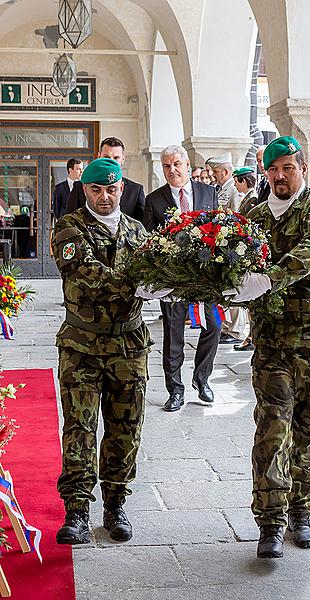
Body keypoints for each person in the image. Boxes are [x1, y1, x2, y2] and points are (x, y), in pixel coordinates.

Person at [231, 136, 310, 559]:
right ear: (265, 172)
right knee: (272, 430)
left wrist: (267, 279)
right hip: (274, 343)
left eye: (288, 168)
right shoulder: (253, 214)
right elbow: (234, 263)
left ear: (303, 168)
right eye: (273, 169)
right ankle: (271, 522)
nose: (280, 176)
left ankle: (303, 513)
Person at [52, 158, 168, 545]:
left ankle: (115, 504)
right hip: (82, 345)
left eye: (111, 188)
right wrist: (141, 284)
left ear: (122, 189)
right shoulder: (69, 227)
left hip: (129, 345)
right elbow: (87, 275)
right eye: (96, 189)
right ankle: (77, 510)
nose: (104, 196)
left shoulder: (137, 230)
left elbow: (159, 268)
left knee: (125, 428)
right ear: (84, 189)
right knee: (80, 428)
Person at [144, 144, 220, 412]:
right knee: (173, 335)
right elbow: (150, 241)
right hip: (173, 280)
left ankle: (202, 379)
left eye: (176, 164)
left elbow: (219, 228)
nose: (172, 170)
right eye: (166, 166)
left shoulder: (209, 192)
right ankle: (175, 390)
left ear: (187, 165)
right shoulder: (154, 200)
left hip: (205, 280)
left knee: (214, 327)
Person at [206, 154, 245, 344]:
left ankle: (236, 330)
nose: (213, 175)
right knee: (224, 289)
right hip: (219, 244)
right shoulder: (220, 189)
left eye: (216, 171)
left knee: (234, 287)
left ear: (226, 171)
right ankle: (227, 326)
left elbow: (237, 218)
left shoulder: (233, 190)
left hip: (230, 245)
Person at [64, 137, 145, 222]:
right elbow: (68, 220)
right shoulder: (80, 186)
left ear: (123, 160)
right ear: (99, 157)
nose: (111, 161)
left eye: (116, 157)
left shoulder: (136, 191)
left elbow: (142, 226)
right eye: (106, 157)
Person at [232, 166, 258, 352]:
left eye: (237, 181)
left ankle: (251, 336)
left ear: (244, 180)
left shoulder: (253, 199)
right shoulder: (247, 197)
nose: (235, 184)